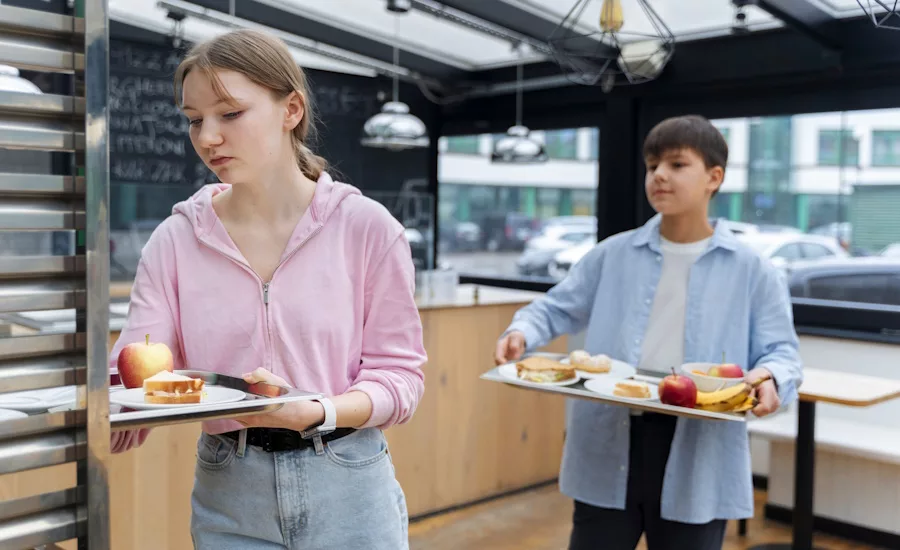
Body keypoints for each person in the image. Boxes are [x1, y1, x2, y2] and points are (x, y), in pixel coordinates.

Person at [109, 29, 426, 550]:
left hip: (348, 478)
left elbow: (400, 379)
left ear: (291, 109)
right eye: (194, 119)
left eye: (229, 114)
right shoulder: (175, 239)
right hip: (230, 488)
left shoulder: (368, 228)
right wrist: (124, 404)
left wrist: (318, 410)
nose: (207, 137)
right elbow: (142, 361)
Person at [494, 115, 802, 550]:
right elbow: (556, 307)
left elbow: (782, 354)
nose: (659, 175)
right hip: (609, 435)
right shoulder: (612, 254)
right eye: (652, 164)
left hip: (699, 445)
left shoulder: (753, 269)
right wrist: (522, 330)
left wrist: (771, 379)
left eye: (677, 164)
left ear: (715, 177)